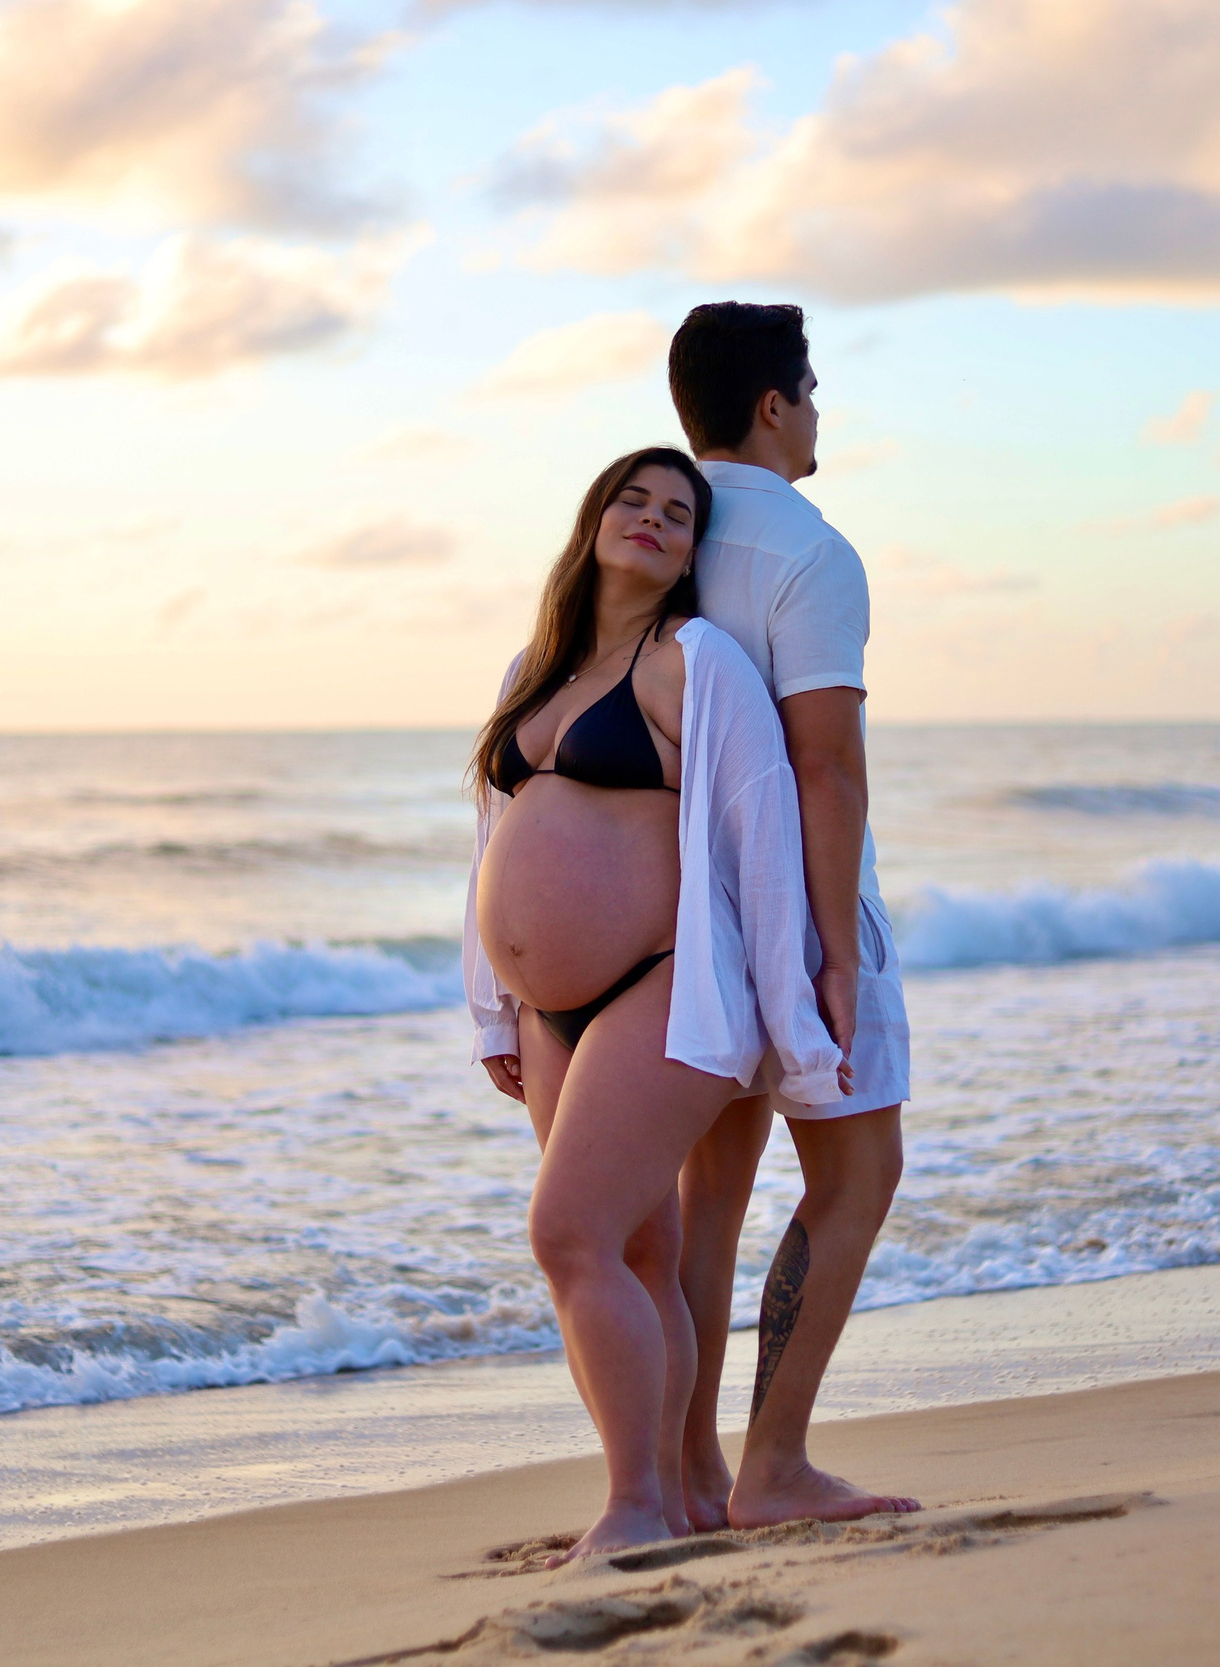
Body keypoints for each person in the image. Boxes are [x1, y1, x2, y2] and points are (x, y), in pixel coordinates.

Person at [461, 446, 852, 1562]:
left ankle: (631, 1505)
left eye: (677, 513)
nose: (652, 519)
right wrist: (495, 1007)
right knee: (634, 1249)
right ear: (592, 523)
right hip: (550, 1012)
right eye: (631, 500)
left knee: (567, 1232)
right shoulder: (533, 669)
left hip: (666, 982)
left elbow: (760, 830)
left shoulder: (697, 660)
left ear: (690, 555)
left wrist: (800, 1012)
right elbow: (490, 841)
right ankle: (673, 1497)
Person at [668, 302, 921, 1530]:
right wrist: (830, 952)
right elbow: (824, 762)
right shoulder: (806, 551)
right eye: (810, 391)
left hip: (675, 913)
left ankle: (683, 1474)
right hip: (794, 904)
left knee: (707, 1187)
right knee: (858, 1169)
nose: (817, 413)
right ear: (773, 406)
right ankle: (772, 1465)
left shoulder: (654, 532)